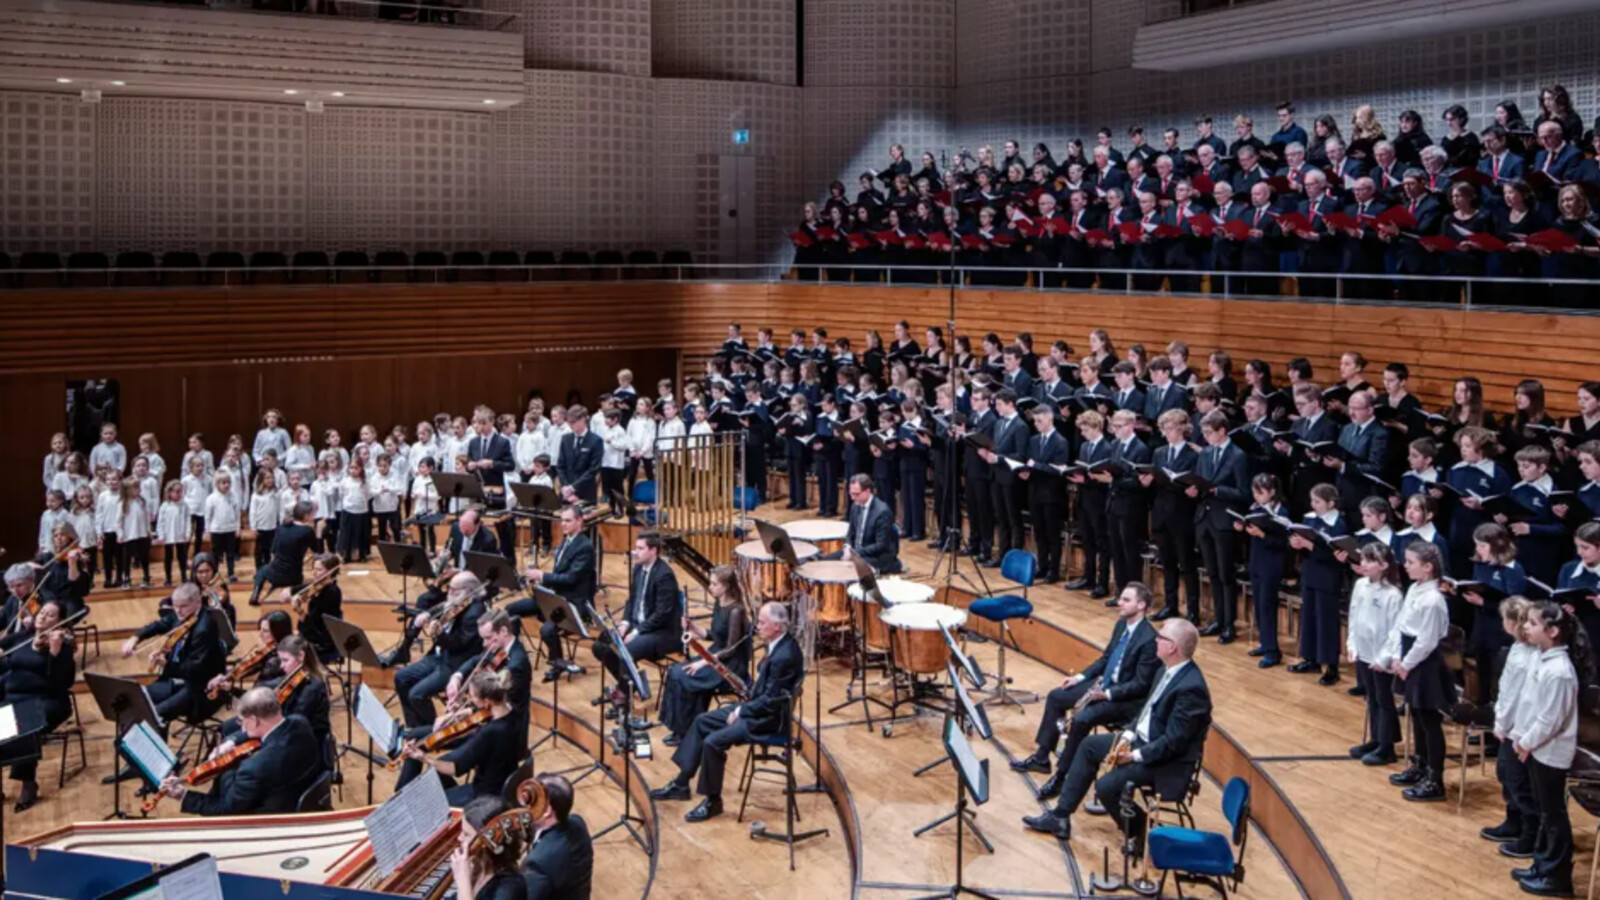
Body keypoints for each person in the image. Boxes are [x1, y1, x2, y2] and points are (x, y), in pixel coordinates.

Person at [1022, 618, 1211, 841]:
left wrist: (1133, 755)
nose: (1155, 640)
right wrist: (1128, 735)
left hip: (1166, 762)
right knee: (1089, 746)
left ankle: (1143, 836)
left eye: (1161, 637)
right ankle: (1060, 817)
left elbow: (1173, 742)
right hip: (1143, 742)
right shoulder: (1164, 671)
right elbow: (1145, 711)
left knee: (1106, 787)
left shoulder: (1191, 689)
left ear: (1172, 647)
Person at [651, 602, 805, 823]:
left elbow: (771, 702)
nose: (757, 626)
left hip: (767, 720)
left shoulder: (785, 656)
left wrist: (741, 710)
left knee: (713, 742)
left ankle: (713, 801)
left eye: (762, 623)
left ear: (777, 626)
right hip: (756, 709)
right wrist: (747, 697)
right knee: (702, 721)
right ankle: (681, 783)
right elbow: (765, 691)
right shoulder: (777, 644)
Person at [1014, 583, 1159, 799]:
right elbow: (1106, 659)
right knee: (1056, 696)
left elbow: (1141, 684)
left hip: (1124, 700)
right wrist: (1079, 678)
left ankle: (1061, 777)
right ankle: (1042, 758)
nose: (1119, 603)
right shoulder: (1121, 624)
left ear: (1141, 605)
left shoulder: (1149, 639)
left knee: (1082, 719)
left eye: (1126, 600)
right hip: (1105, 685)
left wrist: (1106, 695)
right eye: (1120, 598)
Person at [1505, 601, 1587, 896]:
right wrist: (1520, 736)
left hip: (1550, 752)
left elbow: (1549, 720)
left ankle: (1557, 877)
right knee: (1544, 812)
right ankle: (1542, 864)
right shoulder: (1542, 660)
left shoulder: (1560, 671)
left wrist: (1525, 742)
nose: (1525, 627)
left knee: (1553, 815)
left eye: (1533, 623)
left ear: (1552, 631)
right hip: (1536, 747)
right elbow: (1530, 705)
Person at [157, 687, 320, 816]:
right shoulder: (301, 723)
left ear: (254, 720)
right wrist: (232, 741)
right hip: (302, 795)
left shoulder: (253, 769)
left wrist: (183, 795)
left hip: (267, 818)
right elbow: (252, 732)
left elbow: (224, 810)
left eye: (242, 722)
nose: (241, 729)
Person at [1379, 543, 1454, 802]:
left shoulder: (1433, 599)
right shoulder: (1414, 589)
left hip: (1425, 663)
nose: (1406, 566)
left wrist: (1406, 664)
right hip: (1410, 657)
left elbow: (1427, 640)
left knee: (1430, 722)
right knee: (1417, 717)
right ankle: (1420, 765)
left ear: (1428, 567)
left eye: (1411, 562)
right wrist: (1396, 656)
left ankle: (1435, 779)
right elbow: (1402, 625)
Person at [402, 670, 526, 807]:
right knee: (441, 768)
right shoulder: (512, 711)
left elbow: (454, 768)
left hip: (486, 796)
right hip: (505, 783)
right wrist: (461, 713)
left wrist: (423, 757)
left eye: (472, 697)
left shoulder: (490, 732)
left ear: (486, 702)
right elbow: (485, 711)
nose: (469, 699)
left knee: (432, 804)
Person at [660, 566, 750, 745]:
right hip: (714, 657)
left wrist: (703, 662)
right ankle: (681, 728)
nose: (710, 587)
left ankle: (687, 732)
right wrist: (693, 627)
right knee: (674, 671)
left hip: (728, 666)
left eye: (715, 584)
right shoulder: (719, 603)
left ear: (726, 586)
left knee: (684, 676)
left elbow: (731, 649)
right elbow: (713, 636)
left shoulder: (736, 611)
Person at [2, 599, 76, 811]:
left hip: (47, 700)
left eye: (50, 615)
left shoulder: (63, 646)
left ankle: (28, 783)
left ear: (61, 622)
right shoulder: (24, 637)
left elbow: (60, 682)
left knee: (25, 725)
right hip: (13, 698)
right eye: (42, 612)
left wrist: (54, 653)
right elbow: (5, 650)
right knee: (11, 720)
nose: (43, 616)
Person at [394, 572, 487, 730]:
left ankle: (432, 731)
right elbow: (444, 606)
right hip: (440, 656)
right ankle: (415, 728)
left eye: (453, 590)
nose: (449, 592)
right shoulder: (461, 600)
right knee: (401, 677)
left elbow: (458, 644)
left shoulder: (475, 613)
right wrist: (427, 613)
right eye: (449, 588)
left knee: (416, 694)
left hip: (455, 664)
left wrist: (439, 634)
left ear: (467, 590)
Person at [513, 505, 595, 680]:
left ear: (579, 521)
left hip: (572, 603)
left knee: (547, 630)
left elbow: (571, 578)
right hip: (555, 598)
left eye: (568, 520)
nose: (563, 524)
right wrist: (540, 582)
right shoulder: (566, 540)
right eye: (562, 520)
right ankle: (514, 653)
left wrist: (542, 576)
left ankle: (557, 664)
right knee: (511, 609)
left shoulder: (585, 547)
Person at [593, 532, 680, 691]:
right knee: (600, 645)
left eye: (640, 548)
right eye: (636, 548)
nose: (635, 552)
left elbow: (662, 614)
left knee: (626, 651)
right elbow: (632, 600)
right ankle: (631, 685)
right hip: (638, 625)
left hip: (660, 632)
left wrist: (636, 632)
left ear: (653, 550)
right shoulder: (638, 568)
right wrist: (625, 623)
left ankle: (624, 694)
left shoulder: (664, 575)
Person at [218, 634, 332, 753]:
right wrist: (231, 687)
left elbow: (293, 722)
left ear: (301, 656)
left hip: (304, 745)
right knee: (227, 728)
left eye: (285, 660)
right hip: (285, 733)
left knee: (240, 744)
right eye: (280, 660)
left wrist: (256, 724)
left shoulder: (313, 687)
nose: (281, 666)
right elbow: (263, 688)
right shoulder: (291, 678)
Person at [1193, 410, 1250, 642]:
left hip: (1224, 519)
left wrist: (1218, 490)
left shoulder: (1238, 456)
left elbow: (1244, 492)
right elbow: (1199, 478)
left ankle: (1229, 624)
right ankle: (1217, 619)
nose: (1205, 437)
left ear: (1222, 431)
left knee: (1226, 574)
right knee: (1212, 573)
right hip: (1204, 517)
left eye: (1209, 432)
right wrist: (1194, 489)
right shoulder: (1205, 453)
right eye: (1204, 432)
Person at [1346, 544, 1404, 766]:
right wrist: (1352, 644)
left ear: (1384, 565)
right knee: (1371, 696)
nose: (1363, 564)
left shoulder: (1393, 594)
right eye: (1363, 559)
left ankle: (1387, 747)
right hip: (1364, 652)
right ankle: (1376, 738)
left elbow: (1396, 630)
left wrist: (1384, 658)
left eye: (1369, 561)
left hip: (1381, 656)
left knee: (1384, 699)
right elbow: (1354, 616)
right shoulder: (1360, 585)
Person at [1143, 409, 1199, 622]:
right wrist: (1148, 482)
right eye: (1164, 429)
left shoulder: (1193, 455)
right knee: (1167, 563)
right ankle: (1170, 605)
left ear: (1183, 429)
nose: (1166, 433)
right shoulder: (1159, 452)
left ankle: (1193, 611)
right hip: (1162, 513)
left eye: (1170, 428)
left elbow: (1195, 483)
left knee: (1187, 564)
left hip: (1182, 514)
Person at [1064, 409, 1114, 599]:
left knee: (1102, 542)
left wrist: (1088, 479)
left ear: (1096, 427)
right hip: (1084, 498)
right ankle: (1088, 577)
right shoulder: (1085, 446)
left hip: (1099, 500)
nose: (1083, 434)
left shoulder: (1108, 448)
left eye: (1085, 430)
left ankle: (1102, 582)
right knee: (1087, 540)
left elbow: (1107, 477)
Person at [520, 773, 593, 900]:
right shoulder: (578, 822)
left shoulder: (538, 864)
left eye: (531, 800)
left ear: (547, 811)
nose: (524, 806)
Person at [1020, 405, 1070, 583]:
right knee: (1039, 533)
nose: (1036, 424)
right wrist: (1027, 471)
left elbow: (1058, 470)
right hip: (1035, 492)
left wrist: (1035, 466)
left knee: (1052, 534)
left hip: (1052, 495)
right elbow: (1030, 462)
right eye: (1035, 421)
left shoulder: (1060, 442)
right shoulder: (1034, 440)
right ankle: (1042, 566)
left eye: (1039, 421)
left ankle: (1053, 570)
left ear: (1050, 419)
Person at [451, 796, 531, 900]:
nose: (459, 838)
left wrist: (463, 882)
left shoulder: (510, 888)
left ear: (487, 842)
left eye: (466, 834)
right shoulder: (477, 864)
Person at [248, 500, 316, 606]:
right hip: (294, 577)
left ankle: (255, 594)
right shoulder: (307, 531)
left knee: (262, 570)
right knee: (310, 583)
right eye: (312, 513)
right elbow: (317, 551)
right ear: (306, 516)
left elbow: (273, 552)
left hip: (274, 573)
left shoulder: (281, 527)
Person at [281, 552, 343, 665]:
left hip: (322, 642)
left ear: (330, 572)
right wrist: (291, 591)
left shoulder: (332, 593)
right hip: (313, 635)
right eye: (313, 569)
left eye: (319, 570)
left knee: (287, 653)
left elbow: (314, 627)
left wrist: (299, 611)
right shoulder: (318, 587)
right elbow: (306, 588)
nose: (314, 573)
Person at [834, 474, 900, 574]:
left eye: (856, 494)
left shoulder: (882, 512)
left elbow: (881, 545)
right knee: (826, 560)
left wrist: (854, 553)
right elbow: (851, 533)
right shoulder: (855, 506)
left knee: (845, 568)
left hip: (876, 557)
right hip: (857, 553)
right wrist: (847, 546)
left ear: (867, 491)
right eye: (851, 494)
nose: (852, 498)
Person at [556, 406, 604, 503]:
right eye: (568, 422)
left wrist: (573, 488)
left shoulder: (595, 441)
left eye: (573, 422)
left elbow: (593, 469)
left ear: (582, 420)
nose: (570, 425)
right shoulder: (566, 439)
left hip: (585, 492)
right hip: (566, 493)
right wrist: (566, 487)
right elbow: (560, 465)